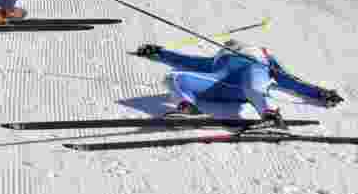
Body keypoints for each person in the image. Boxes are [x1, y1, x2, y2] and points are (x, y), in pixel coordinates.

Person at [132, 39, 344, 129]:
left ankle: (270, 117)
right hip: (222, 84)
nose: (233, 45)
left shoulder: (262, 56)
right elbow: (187, 61)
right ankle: (187, 107)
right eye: (230, 45)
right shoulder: (218, 58)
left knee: (253, 85)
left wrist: (320, 93)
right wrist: (159, 52)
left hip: (251, 79)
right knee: (174, 77)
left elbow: (288, 79)